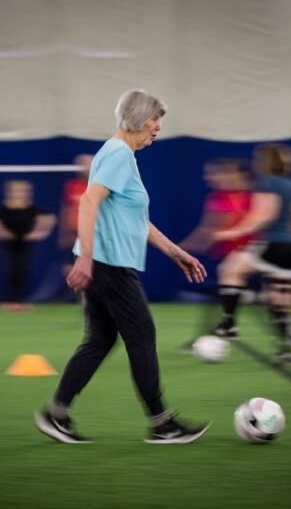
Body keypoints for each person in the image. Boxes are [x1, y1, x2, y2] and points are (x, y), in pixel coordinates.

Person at [34, 89, 210, 444]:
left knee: (99, 340)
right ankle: (162, 424)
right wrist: (85, 259)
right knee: (142, 337)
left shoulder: (120, 155)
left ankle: (56, 414)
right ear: (137, 118)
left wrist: (175, 252)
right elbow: (88, 203)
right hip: (108, 265)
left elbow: (136, 221)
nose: (157, 130)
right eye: (154, 123)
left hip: (104, 263)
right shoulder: (117, 153)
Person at [213, 144, 291, 364]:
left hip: (272, 243)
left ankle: (229, 323)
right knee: (280, 297)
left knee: (229, 269)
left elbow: (264, 215)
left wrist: (232, 232)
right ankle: (288, 346)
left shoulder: (267, 182)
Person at [179, 158, 256, 341]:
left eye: (215, 173)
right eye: (208, 173)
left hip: (247, 258)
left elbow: (210, 230)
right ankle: (220, 328)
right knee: (217, 299)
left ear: (234, 174)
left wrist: (178, 250)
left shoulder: (251, 196)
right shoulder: (218, 198)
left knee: (221, 294)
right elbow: (208, 231)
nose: (209, 178)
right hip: (225, 256)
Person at [0, 180, 57, 311]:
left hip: (25, 244)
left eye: (23, 191)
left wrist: (38, 233)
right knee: (10, 270)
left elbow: (49, 218)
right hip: (9, 244)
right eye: (16, 191)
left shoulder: (31, 208)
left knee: (23, 271)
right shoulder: (5, 208)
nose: (19, 194)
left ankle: (20, 301)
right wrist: (0, 232)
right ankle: (9, 301)